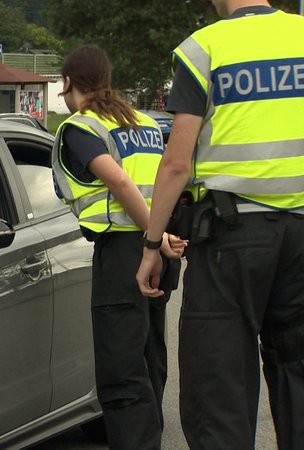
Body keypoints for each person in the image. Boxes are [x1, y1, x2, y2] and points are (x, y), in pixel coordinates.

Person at [136, 1, 304, 449]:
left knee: (219, 383)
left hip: (233, 238)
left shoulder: (203, 48)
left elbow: (176, 163)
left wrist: (153, 245)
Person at [51, 44, 185, 449]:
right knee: (150, 362)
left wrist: (153, 236)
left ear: (69, 82)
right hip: (156, 249)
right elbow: (167, 177)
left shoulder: (82, 127)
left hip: (128, 252)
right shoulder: (143, 122)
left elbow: (121, 183)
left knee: (122, 376)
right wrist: (162, 237)